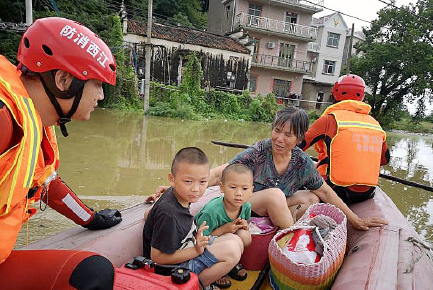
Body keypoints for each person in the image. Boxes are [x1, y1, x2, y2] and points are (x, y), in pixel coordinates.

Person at [0, 17, 122, 289]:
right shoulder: (5, 119)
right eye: (98, 85)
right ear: (64, 80)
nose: (100, 97)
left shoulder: (37, 122)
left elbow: (45, 184)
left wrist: (91, 218)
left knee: (92, 271)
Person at [206, 106, 388, 231]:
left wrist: (354, 219)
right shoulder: (259, 152)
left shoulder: (301, 161)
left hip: (277, 206)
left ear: (299, 138)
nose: (279, 139)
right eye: (276, 131)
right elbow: (221, 173)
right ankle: (289, 235)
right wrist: (187, 188)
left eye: (288, 135)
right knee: (275, 194)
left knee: (312, 196)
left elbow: (325, 192)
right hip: (249, 205)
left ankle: (278, 223)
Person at [142, 147, 245, 290]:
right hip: (170, 269)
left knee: (236, 240)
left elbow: (148, 215)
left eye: (202, 182)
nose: (196, 189)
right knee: (232, 251)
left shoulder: (177, 194)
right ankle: (196, 286)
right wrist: (196, 251)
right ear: (172, 179)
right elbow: (157, 257)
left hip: (188, 244)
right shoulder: (169, 214)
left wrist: (154, 208)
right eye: (188, 182)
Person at [298, 74, 390, 204]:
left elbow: (297, 146)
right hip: (367, 192)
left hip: (336, 189)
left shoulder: (329, 119)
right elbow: (385, 160)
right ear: (362, 96)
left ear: (335, 93)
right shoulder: (374, 123)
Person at [195, 163, 253, 288]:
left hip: (229, 241)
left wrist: (244, 225)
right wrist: (224, 229)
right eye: (233, 187)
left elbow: (245, 223)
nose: (239, 193)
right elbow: (199, 241)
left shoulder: (246, 206)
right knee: (235, 240)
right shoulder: (211, 212)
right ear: (222, 187)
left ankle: (231, 265)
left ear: (251, 190)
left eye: (244, 189)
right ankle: (218, 271)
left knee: (245, 236)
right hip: (207, 244)